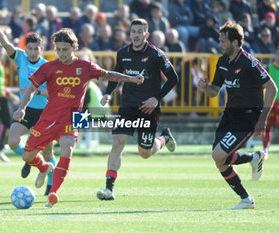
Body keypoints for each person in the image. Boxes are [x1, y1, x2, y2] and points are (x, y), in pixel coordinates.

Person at [13, 28, 144, 208]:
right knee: (27, 156)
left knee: (67, 149)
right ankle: (44, 167)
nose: (61, 53)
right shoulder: (49, 67)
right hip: (49, 117)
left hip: (75, 116)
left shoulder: (85, 66)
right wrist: (22, 108)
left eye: (65, 49)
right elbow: (31, 89)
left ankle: (53, 192)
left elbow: (108, 74)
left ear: (74, 47)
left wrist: (132, 79)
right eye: (58, 49)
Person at [197, 20, 277, 210]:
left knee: (218, 155)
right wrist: (206, 87)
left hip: (248, 116)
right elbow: (214, 92)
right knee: (219, 160)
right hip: (230, 115)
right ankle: (246, 198)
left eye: (223, 41)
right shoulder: (222, 61)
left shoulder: (249, 62)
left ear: (234, 42)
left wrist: (262, 119)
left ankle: (253, 160)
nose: (219, 44)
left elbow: (272, 88)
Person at [96, 18, 179, 201]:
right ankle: (109, 188)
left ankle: (164, 138)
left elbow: (174, 78)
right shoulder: (122, 53)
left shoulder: (155, 54)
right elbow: (116, 76)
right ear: (130, 33)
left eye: (140, 32)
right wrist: (108, 93)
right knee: (118, 141)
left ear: (146, 34)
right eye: (133, 31)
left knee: (145, 153)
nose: (136, 35)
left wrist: (156, 99)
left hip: (148, 109)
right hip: (127, 106)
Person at [0, 8, 57, 195]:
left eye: (36, 49)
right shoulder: (21, 58)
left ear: (41, 50)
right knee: (12, 141)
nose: (33, 52)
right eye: (30, 48)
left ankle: (51, 185)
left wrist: (35, 91)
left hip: (45, 113)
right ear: (25, 48)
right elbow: (5, 43)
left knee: (48, 152)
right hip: (25, 110)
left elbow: (54, 93)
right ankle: (41, 166)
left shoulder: (47, 66)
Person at [262, 45, 279, 159]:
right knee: (267, 127)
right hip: (271, 102)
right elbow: (262, 85)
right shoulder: (269, 68)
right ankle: (265, 149)